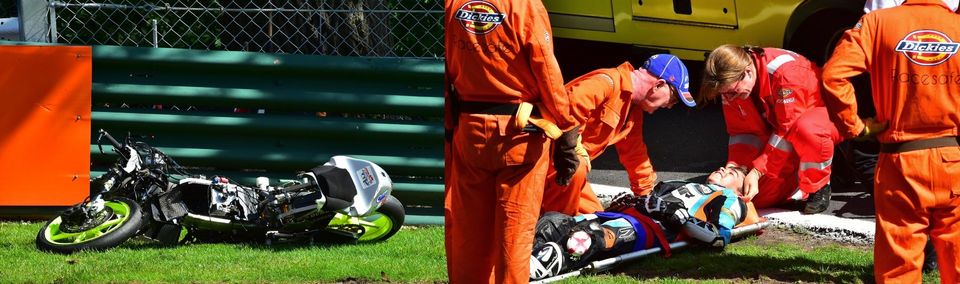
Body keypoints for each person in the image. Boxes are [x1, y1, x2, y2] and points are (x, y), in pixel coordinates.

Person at [443, 0, 583, 283]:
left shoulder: (454, 4)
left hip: (469, 131)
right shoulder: (526, 6)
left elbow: (448, 67)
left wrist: (450, 124)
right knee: (514, 236)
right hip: (519, 136)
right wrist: (567, 131)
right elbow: (547, 72)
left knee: (469, 234)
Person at [820, 0, 960, 282]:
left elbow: (833, 76)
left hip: (900, 162)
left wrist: (856, 127)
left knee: (898, 267)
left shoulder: (876, 23)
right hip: (953, 160)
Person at [530, 166, 761, 280]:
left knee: (587, 237)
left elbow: (717, 238)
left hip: (650, 230)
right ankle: (523, 256)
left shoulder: (731, 201)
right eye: (725, 167)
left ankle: (541, 265)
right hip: (626, 215)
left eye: (732, 173)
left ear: (741, 190)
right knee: (552, 222)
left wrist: (674, 215)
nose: (723, 169)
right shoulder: (678, 183)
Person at [541, 54, 697, 216]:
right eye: (673, 99)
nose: (670, 106)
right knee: (575, 173)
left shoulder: (632, 108)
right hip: (549, 168)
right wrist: (574, 155)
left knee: (597, 220)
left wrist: (647, 195)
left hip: (566, 174)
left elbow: (635, 154)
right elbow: (566, 114)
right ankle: (552, 224)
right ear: (658, 85)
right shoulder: (606, 82)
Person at [699, 44, 842, 214]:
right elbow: (744, 133)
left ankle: (818, 187)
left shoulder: (786, 75)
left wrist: (758, 171)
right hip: (791, 125)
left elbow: (787, 129)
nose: (730, 98)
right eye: (726, 94)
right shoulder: (734, 83)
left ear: (748, 72)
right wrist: (737, 166)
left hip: (834, 117)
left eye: (732, 92)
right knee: (756, 192)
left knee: (806, 129)